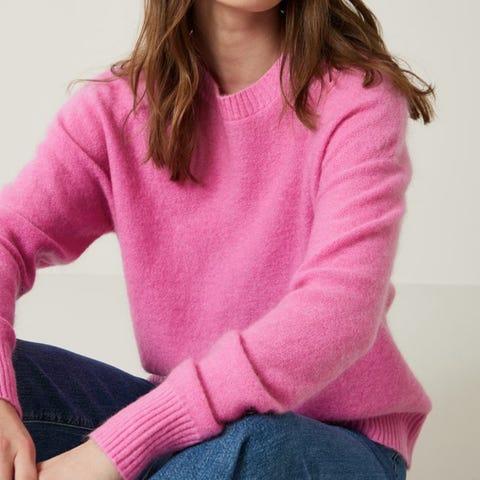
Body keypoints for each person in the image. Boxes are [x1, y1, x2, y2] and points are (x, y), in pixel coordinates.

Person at [0, 1, 436, 479]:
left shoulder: (358, 98)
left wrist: (113, 452)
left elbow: (339, 311)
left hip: (332, 445)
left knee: (258, 446)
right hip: (192, 437)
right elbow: (7, 235)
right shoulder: (116, 111)